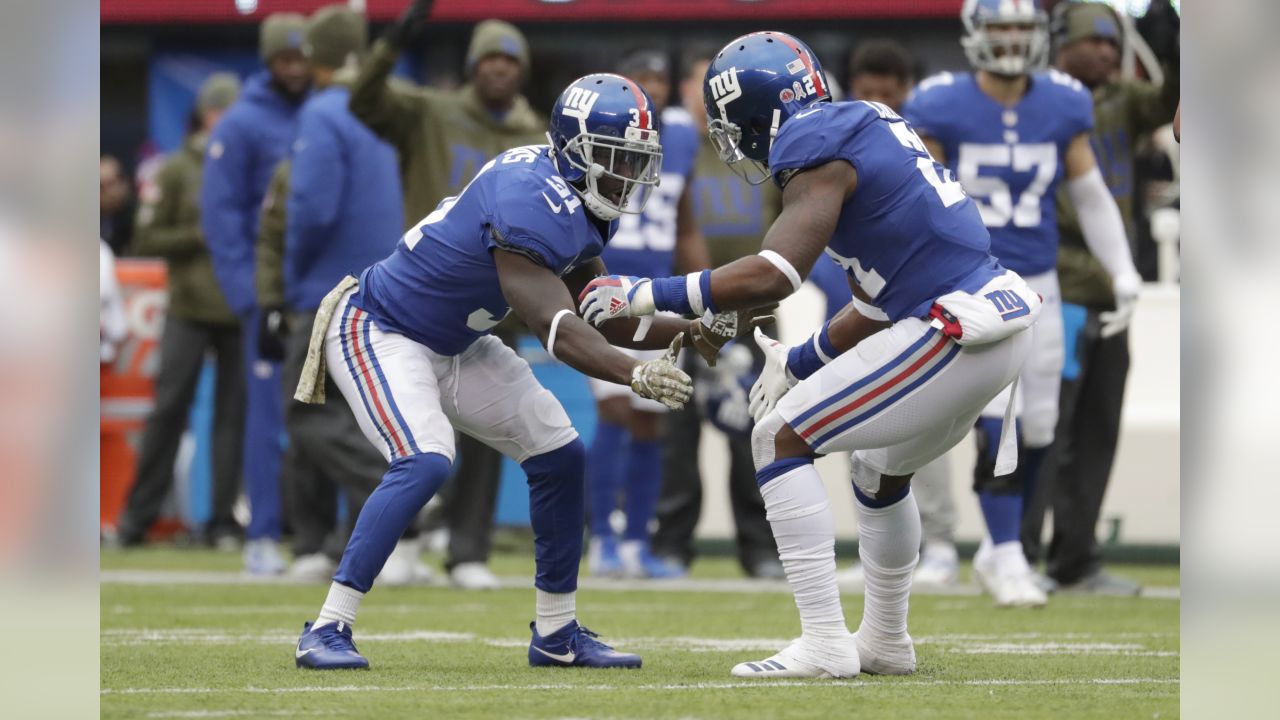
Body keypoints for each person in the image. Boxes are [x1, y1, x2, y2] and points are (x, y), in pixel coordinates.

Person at [579, 31, 1038, 679]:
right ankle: (884, 641)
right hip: (991, 322)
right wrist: (800, 359)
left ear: (765, 107)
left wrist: (644, 293)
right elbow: (876, 304)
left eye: (734, 120)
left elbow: (774, 274)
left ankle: (825, 642)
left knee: (778, 437)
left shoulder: (813, 141)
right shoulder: (864, 124)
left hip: (954, 327)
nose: (732, 137)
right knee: (877, 470)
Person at [293, 73, 764, 670]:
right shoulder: (527, 197)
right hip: (381, 328)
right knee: (426, 456)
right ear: (576, 148)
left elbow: (605, 315)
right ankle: (328, 626)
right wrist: (635, 376)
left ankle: (557, 633)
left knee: (560, 453)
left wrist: (689, 333)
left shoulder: (579, 199)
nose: (630, 174)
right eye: (618, 158)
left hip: (456, 342)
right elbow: (559, 329)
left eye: (637, 159)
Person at [902, 0, 1142, 607]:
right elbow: (916, 197)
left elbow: (1090, 194)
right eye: (1001, 27)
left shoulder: (1063, 101)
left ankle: (999, 550)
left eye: (1021, 28)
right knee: (995, 419)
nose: (1012, 40)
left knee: (1040, 425)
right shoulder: (941, 103)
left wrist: (1123, 271)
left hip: (1041, 280)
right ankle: (1004, 550)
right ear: (976, 35)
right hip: (970, 279)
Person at [349, 1, 548, 589]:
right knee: (412, 427)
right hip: (423, 298)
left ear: (522, 71)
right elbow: (362, 99)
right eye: (487, 58)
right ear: (470, 66)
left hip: (498, 296)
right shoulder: (430, 112)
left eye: (509, 60)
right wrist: (392, 41)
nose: (498, 70)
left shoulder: (533, 134)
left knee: (488, 432)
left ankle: (468, 552)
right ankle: (404, 542)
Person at [256, 5, 433, 584]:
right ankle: (343, 543)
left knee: (306, 417)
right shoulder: (393, 107)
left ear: (316, 56)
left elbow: (310, 210)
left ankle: (406, 487)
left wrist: (288, 284)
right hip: (389, 287)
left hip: (327, 291)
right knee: (363, 416)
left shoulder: (323, 114)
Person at [1021, 0, 1178, 594]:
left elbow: (1174, 102)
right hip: (1055, 284)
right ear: (1064, 44)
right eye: (1098, 42)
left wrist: (1175, 52)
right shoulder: (1041, 101)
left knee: (1097, 428)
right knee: (1045, 427)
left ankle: (1076, 558)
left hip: (1112, 289)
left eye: (1116, 44)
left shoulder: (1124, 103)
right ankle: (1019, 551)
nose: (1110, 54)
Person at [832, 38, 962, 592]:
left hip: (919, 298)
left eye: (888, 93)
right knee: (850, 416)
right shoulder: (833, 149)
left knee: (921, 421)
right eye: (868, 93)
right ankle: (875, 548)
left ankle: (941, 542)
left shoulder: (918, 145)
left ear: (906, 93)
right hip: (857, 301)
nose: (879, 101)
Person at [651, 50, 781, 580]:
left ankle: (760, 549)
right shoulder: (673, 151)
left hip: (754, 316)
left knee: (755, 431)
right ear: (687, 90)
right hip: (680, 312)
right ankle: (672, 546)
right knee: (676, 435)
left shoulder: (764, 150)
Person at [584, 49, 709, 579]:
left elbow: (684, 225)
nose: (653, 89)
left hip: (658, 296)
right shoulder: (599, 134)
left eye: (660, 79)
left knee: (652, 422)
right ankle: (602, 538)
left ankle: (638, 540)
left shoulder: (678, 139)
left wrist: (708, 296)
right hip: (606, 291)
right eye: (643, 79)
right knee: (615, 410)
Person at [201, 12, 310, 575]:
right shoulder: (241, 124)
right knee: (267, 420)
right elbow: (220, 218)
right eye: (284, 59)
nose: (295, 68)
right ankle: (263, 533)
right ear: (269, 63)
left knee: (330, 419)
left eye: (301, 57)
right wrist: (250, 299)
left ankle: (325, 539)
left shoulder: (325, 111)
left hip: (323, 292)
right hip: (268, 297)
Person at [118, 73, 245, 549]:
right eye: (225, 112)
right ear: (208, 115)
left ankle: (223, 522)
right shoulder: (175, 170)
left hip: (237, 309)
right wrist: (197, 237)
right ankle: (137, 520)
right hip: (189, 308)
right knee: (168, 410)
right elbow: (146, 237)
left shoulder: (250, 167)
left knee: (234, 419)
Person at [100, 155, 136, 256]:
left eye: (110, 184)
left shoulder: (136, 217)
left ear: (123, 184)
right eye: (100, 187)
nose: (105, 192)